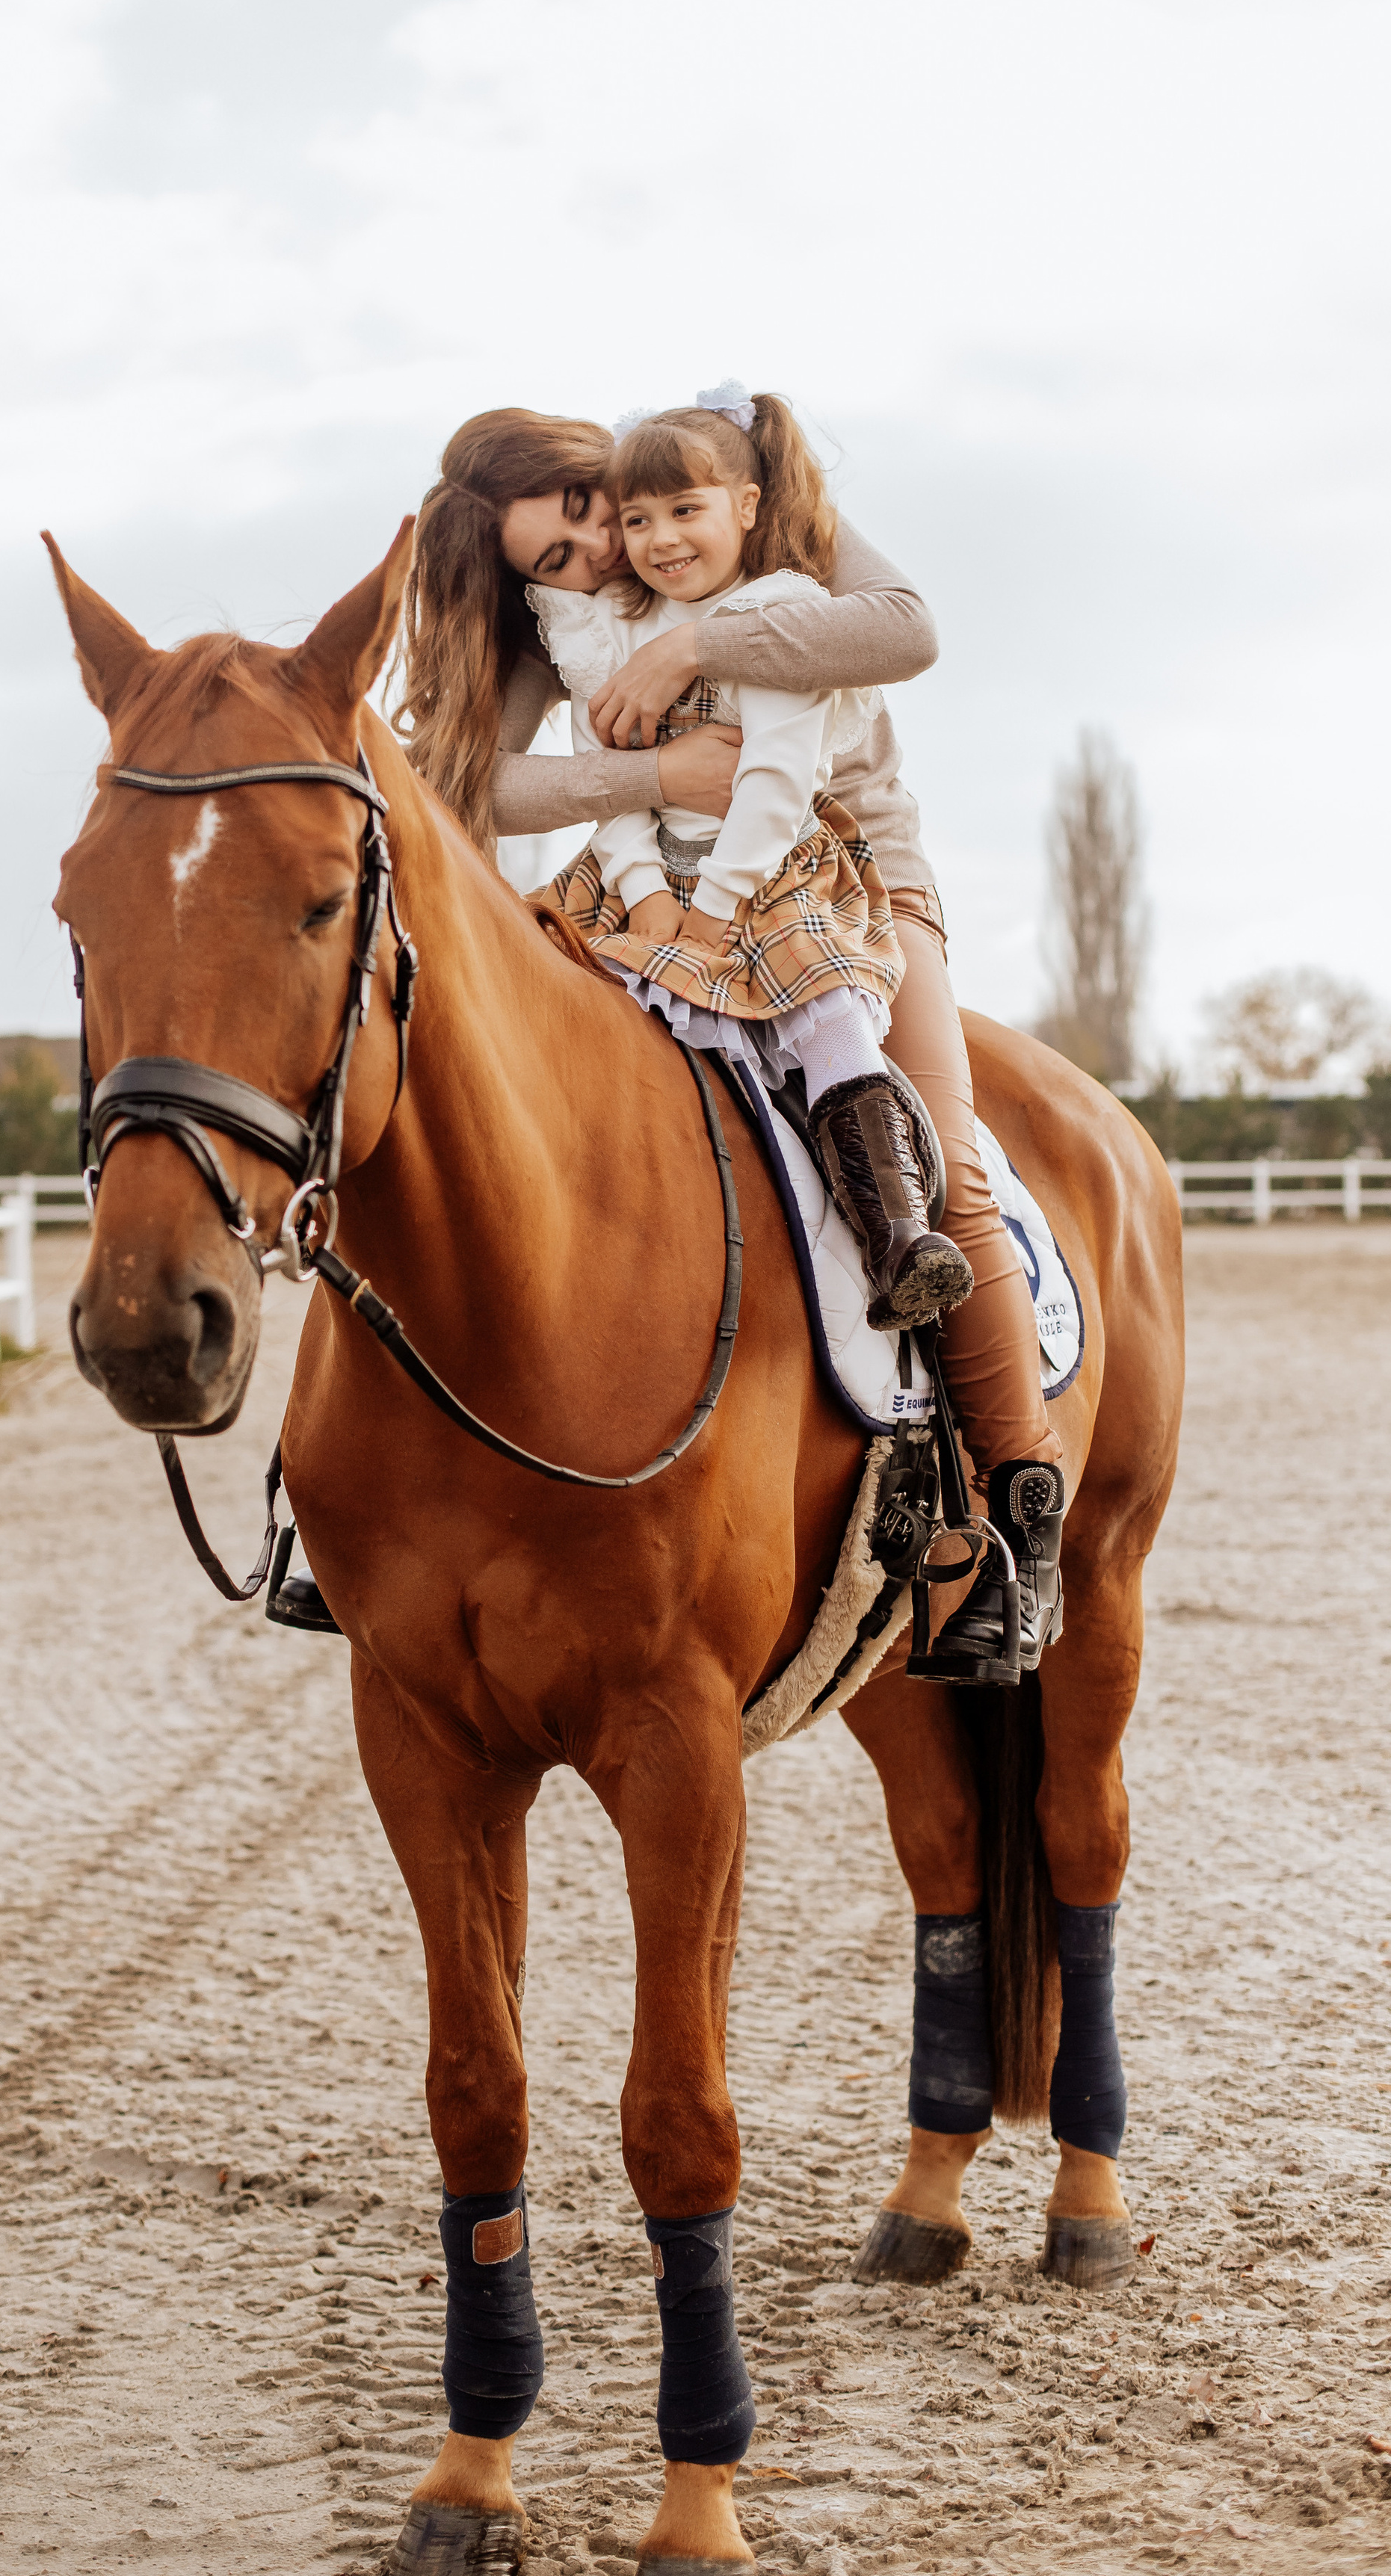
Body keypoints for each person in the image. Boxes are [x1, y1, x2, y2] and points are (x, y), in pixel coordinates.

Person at [398, 398, 1064, 1680]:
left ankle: (1013, 1525)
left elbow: (908, 629)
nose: (598, 553)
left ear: (606, 470)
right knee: (452, 1083)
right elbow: (454, 780)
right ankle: (354, 1485)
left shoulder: (729, 488)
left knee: (949, 1165)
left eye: (590, 514)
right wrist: (651, 777)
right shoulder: (573, 617)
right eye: (555, 557)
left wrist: (701, 633)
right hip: (658, 889)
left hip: (845, 876)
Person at [524, 386, 970, 1331]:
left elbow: (775, 780)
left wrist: (718, 904)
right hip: (644, 883)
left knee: (823, 1003)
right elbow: (599, 778)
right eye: (637, 519)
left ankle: (898, 1235)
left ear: (749, 507)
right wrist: (644, 894)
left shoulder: (780, 612)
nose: (649, 540)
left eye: (682, 512)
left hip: (762, 876)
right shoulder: (602, 633)